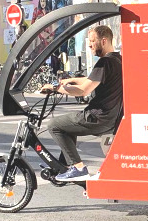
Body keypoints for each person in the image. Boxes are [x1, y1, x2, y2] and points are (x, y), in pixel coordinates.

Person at [41, 25, 123, 181]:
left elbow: (83, 90)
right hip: (110, 119)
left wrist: (56, 87)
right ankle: (67, 166)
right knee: (68, 128)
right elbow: (90, 80)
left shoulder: (104, 62)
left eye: (92, 41)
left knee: (54, 125)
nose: (90, 45)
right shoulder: (117, 60)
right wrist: (70, 80)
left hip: (96, 117)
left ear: (103, 41)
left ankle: (78, 168)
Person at [48, 0, 73, 74]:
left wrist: (71, 27)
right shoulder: (52, 0)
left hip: (65, 30)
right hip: (56, 31)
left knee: (64, 52)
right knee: (55, 53)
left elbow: (71, 14)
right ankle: (56, 71)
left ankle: (65, 71)